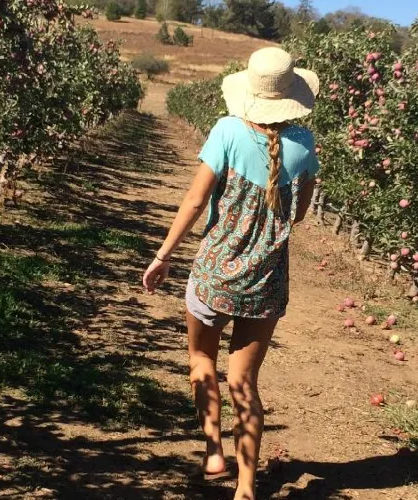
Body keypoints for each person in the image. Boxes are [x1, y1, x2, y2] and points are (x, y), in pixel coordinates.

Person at [142, 47, 320, 500]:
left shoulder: (226, 130)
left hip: (215, 275)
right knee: (244, 382)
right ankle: (246, 487)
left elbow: (195, 201)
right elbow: (299, 213)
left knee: (201, 360)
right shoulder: (304, 144)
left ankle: (214, 453)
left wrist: (163, 255)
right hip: (266, 282)